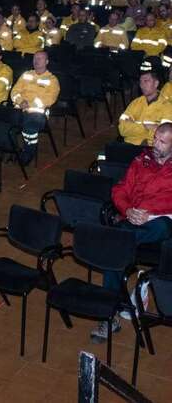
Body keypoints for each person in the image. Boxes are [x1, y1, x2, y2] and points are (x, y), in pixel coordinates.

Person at [92, 123, 172, 342]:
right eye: (155, 138)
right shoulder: (141, 161)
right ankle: (111, 315)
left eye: (162, 142)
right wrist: (127, 209)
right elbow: (120, 189)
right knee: (116, 251)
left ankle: (119, 239)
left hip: (162, 221)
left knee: (123, 239)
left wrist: (150, 213)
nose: (156, 144)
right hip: (133, 217)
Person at [10, 51, 60, 165]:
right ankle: (16, 150)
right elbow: (15, 91)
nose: (36, 61)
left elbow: (50, 99)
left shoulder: (52, 80)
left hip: (38, 113)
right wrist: (20, 101)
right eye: (35, 58)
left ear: (47, 62)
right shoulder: (26, 74)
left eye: (40, 59)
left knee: (29, 125)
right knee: (4, 123)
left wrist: (29, 104)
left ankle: (28, 152)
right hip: (20, 108)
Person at [118, 71, 172, 146]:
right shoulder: (135, 103)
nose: (142, 85)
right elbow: (122, 129)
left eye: (146, 81)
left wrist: (134, 124)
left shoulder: (167, 106)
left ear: (156, 84)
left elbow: (163, 135)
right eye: (140, 82)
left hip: (152, 148)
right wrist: (146, 127)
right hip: (129, 146)